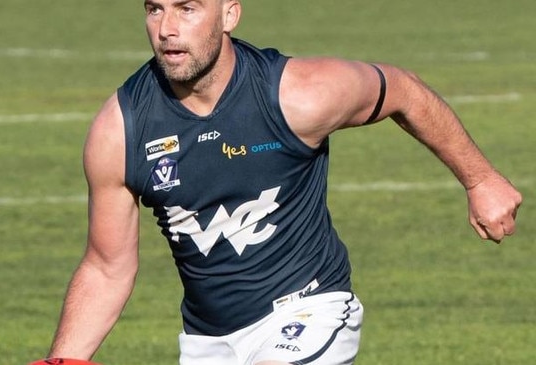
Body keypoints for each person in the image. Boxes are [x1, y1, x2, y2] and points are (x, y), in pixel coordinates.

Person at [44, 1, 522, 364]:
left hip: (308, 309)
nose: (167, 28)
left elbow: (403, 90)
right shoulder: (120, 130)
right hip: (208, 339)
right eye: (155, 8)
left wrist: (480, 180)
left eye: (188, 7)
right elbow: (107, 267)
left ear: (229, 13)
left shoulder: (299, 95)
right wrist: (63, 361)